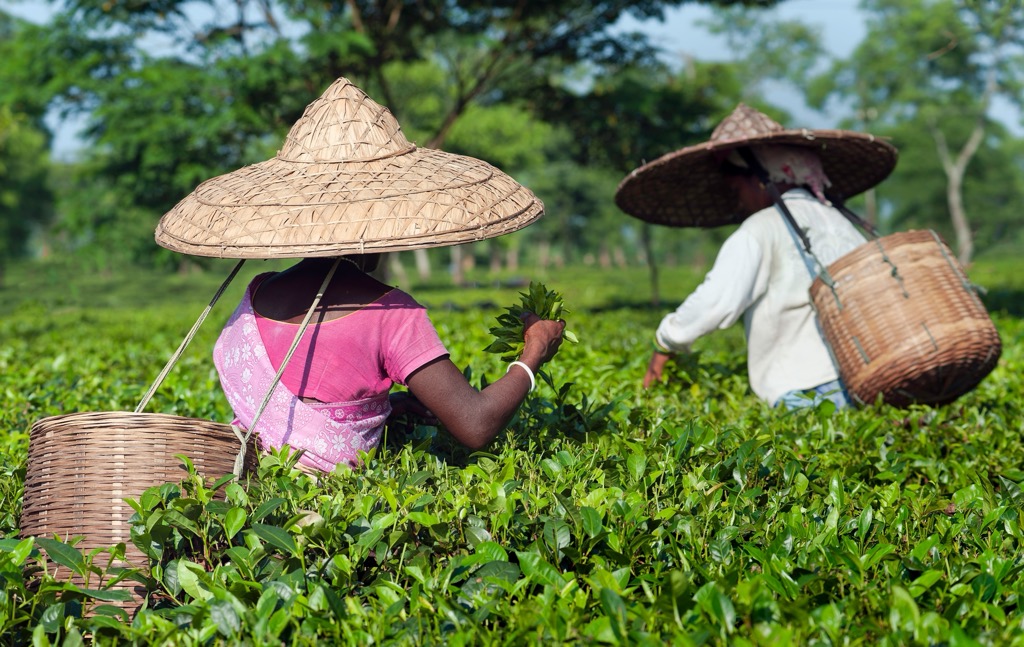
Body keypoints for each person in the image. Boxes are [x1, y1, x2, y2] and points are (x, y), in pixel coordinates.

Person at [154, 77, 565, 472]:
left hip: (252, 493)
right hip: (333, 511)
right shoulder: (392, 312)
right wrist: (534, 353)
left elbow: (304, 402)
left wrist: (382, 408)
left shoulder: (259, 291)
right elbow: (475, 425)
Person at [614, 104, 898, 409]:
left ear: (760, 178)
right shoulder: (840, 222)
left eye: (736, 187)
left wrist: (665, 342)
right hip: (861, 381)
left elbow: (715, 302)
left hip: (803, 391)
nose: (737, 198)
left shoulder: (762, 227)